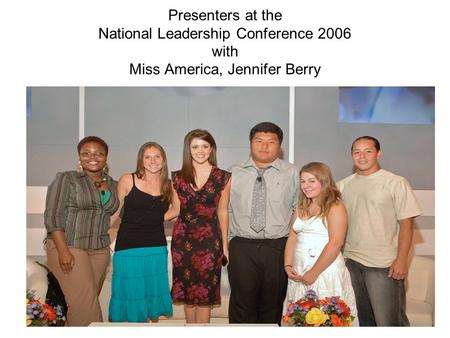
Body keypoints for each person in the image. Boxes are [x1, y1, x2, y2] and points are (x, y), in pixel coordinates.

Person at [337, 136, 422, 326]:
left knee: (389, 323)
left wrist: (401, 260)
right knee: (362, 322)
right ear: (351, 155)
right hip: (351, 263)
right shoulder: (342, 185)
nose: (362, 156)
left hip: (384, 265)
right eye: (357, 152)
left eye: (368, 151)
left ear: (378, 153)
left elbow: (407, 226)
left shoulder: (395, 183)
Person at [227, 122, 299, 324]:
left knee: (273, 304)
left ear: (280, 145)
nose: (264, 146)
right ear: (250, 143)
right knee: (242, 303)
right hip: (242, 246)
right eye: (259, 141)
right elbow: (225, 209)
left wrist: (291, 247)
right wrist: (228, 242)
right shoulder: (233, 171)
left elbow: (298, 208)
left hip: (277, 247)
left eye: (271, 142)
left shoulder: (292, 173)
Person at [44, 136, 119, 326]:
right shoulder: (67, 178)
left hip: (99, 250)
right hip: (69, 245)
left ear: (106, 158)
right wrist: (63, 251)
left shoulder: (112, 184)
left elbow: (113, 211)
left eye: (98, 153)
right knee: (85, 306)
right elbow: (53, 217)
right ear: (79, 157)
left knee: (80, 304)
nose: (92, 157)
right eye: (86, 153)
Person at [166, 129, 231, 323]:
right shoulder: (177, 178)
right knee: (188, 293)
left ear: (211, 149)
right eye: (195, 146)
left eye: (205, 146)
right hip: (182, 241)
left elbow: (223, 212)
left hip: (210, 241)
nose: (200, 151)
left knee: (205, 294)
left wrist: (225, 246)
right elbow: (175, 210)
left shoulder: (223, 177)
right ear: (188, 149)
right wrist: (145, 218)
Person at [283, 162, 357, 324]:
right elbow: (292, 238)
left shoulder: (335, 206)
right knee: (299, 317)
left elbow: (336, 243)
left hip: (325, 270)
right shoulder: (301, 207)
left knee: (327, 318)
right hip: (299, 270)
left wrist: (314, 273)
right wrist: (288, 266)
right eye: (303, 181)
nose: (306, 186)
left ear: (323, 181)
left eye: (311, 181)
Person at [108, 142, 173, 322]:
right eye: (148, 157)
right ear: (141, 160)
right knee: (131, 296)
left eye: (157, 156)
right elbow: (114, 212)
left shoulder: (169, 185)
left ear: (163, 159)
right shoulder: (128, 179)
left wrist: (156, 219)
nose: (153, 160)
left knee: (152, 298)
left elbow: (177, 210)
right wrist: (101, 233)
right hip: (128, 248)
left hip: (156, 248)